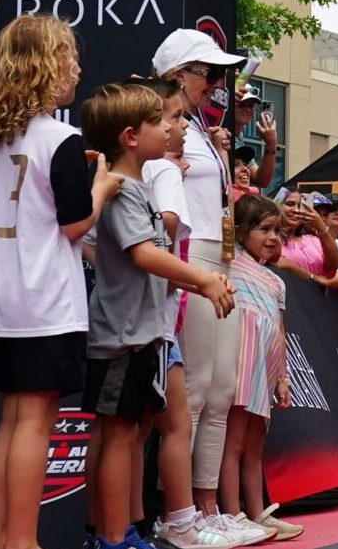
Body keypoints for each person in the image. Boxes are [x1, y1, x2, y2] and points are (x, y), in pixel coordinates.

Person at [0, 15, 120, 549]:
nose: (78, 67)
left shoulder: (0, 141)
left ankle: (0, 540)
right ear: (46, 67)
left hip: (0, 304)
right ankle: (23, 541)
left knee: (11, 422)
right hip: (44, 303)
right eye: (69, 57)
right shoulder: (61, 137)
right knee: (34, 423)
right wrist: (101, 188)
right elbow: (74, 223)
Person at [78, 83, 236, 549]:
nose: (171, 128)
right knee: (118, 436)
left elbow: (155, 263)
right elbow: (145, 255)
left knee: (128, 436)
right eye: (159, 122)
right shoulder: (125, 192)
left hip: (143, 334)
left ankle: (121, 530)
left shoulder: (140, 188)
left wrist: (200, 284)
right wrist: (203, 280)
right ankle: (111, 536)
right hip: (121, 336)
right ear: (131, 136)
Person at [134, 78, 239, 549]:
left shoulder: (157, 168)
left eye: (178, 118)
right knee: (165, 417)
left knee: (147, 423)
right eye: (170, 119)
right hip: (144, 316)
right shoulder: (158, 174)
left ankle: (139, 526)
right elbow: (154, 241)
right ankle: (169, 520)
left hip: (159, 309)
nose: (179, 126)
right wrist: (197, 279)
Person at [218, 194, 304, 541]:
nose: (273, 237)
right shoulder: (228, 264)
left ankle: (258, 513)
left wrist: (282, 377)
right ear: (239, 232)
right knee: (233, 441)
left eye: (277, 230)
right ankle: (232, 512)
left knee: (255, 442)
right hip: (241, 360)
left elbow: (279, 330)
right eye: (263, 229)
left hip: (265, 366)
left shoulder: (275, 281)